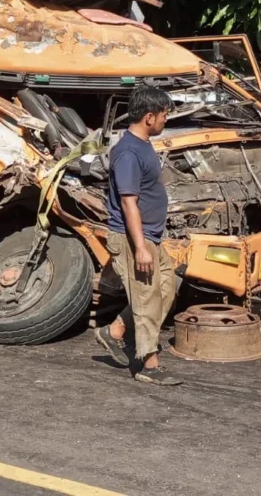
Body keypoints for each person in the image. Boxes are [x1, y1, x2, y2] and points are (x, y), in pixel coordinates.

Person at [95, 83, 182, 385]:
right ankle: (149, 364)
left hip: (150, 237)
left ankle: (116, 329)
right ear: (149, 117)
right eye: (163, 115)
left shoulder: (143, 145)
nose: (165, 120)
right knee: (146, 299)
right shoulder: (128, 152)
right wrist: (141, 248)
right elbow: (128, 202)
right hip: (135, 239)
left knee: (167, 287)